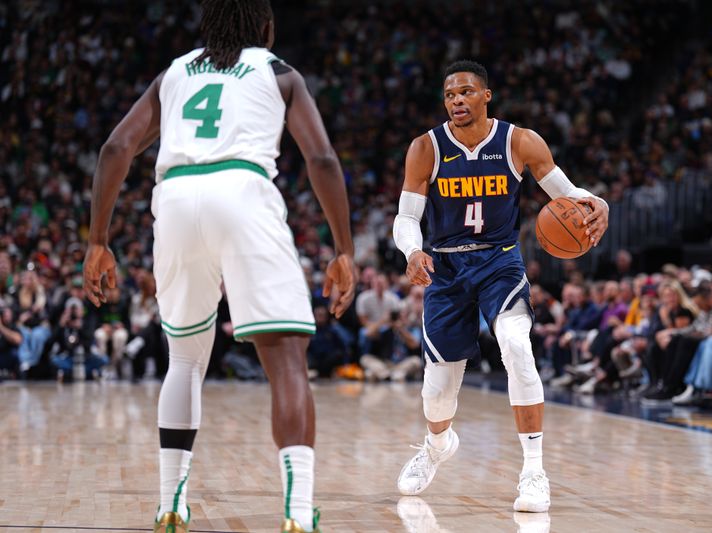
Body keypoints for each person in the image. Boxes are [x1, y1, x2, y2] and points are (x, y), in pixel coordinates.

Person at [82, 2, 357, 532]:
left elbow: (117, 146)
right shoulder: (278, 72)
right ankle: (298, 516)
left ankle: (169, 505)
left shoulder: (175, 72)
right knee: (288, 362)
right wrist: (343, 249)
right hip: (243, 190)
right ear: (267, 29)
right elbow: (321, 159)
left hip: (177, 198)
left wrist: (98, 240)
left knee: (184, 360)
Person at [392, 60, 608, 513]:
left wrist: (598, 203)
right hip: (447, 270)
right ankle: (436, 445)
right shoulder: (425, 148)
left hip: (499, 262)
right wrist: (413, 251)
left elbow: (567, 194)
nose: (457, 101)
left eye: (466, 92)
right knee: (438, 392)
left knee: (515, 343)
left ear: (486, 95)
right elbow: (407, 217)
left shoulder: (519, 141)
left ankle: (534, 471)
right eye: (450, 95)